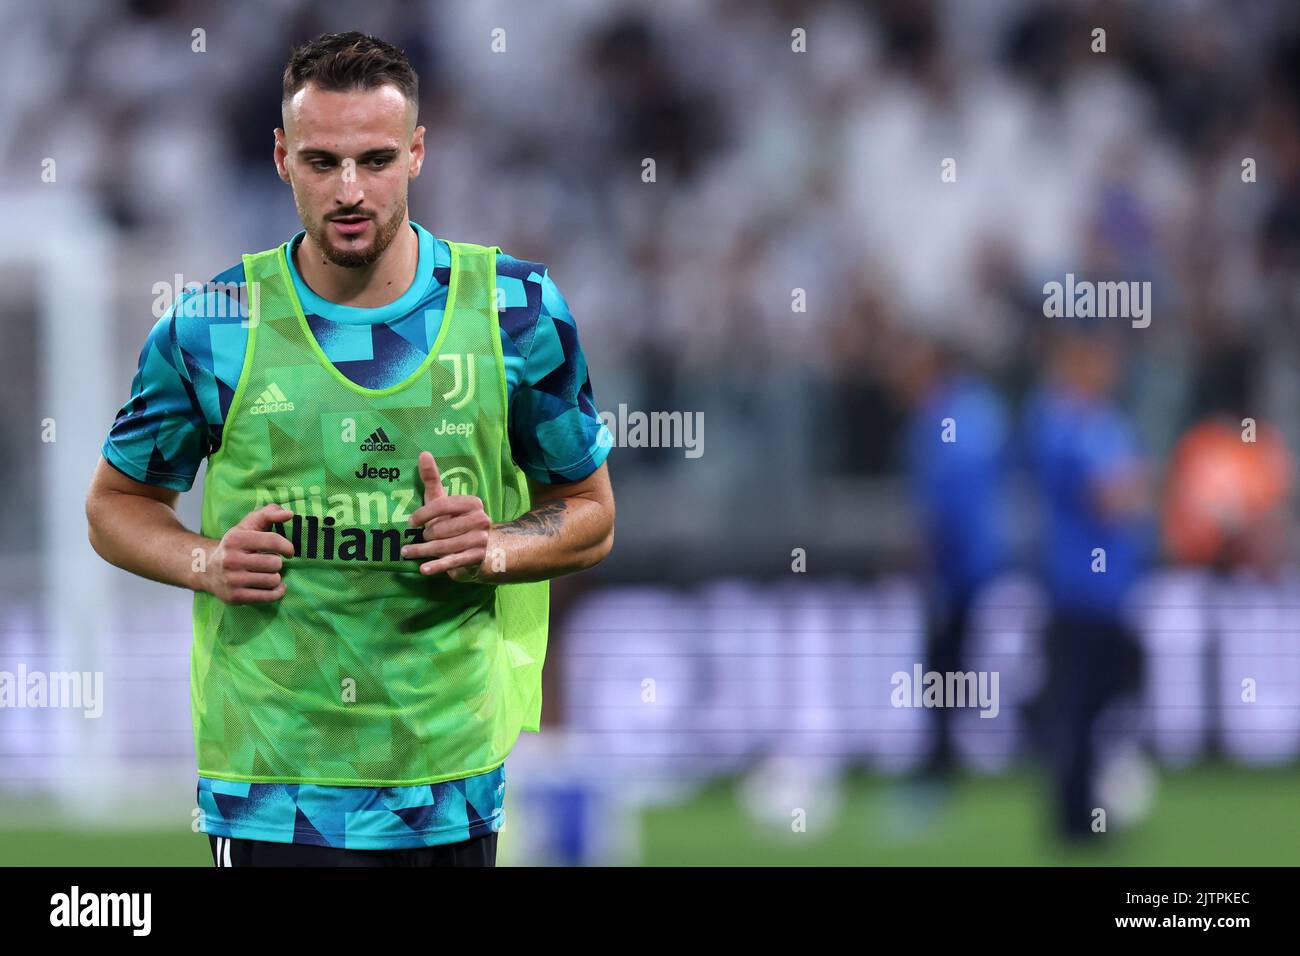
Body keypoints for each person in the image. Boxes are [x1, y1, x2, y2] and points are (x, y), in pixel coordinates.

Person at [84, 32, 616, 867]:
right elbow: (114, 505)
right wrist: (206, 563)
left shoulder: (516, 311)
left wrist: (496, 549)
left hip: (447, 786)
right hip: (270, 786)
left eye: (374, 159)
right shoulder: (213, 325)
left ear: (417, 154)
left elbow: (591, 515)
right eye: (322, 161)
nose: (350, 190)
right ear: (280, 158)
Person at [1023, 324, 1149, 842]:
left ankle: (1084, 807)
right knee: (1078, 705)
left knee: (1103, 697)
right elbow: (1112, 496)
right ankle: (1073, 819)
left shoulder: (1094, 421)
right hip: (1078, 589)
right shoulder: (1065, 422)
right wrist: (1141, 489)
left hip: (1106, 589)